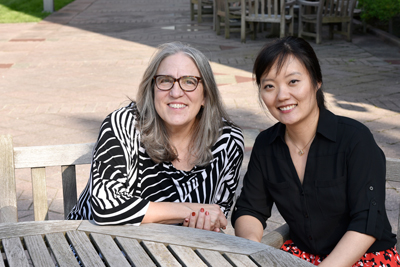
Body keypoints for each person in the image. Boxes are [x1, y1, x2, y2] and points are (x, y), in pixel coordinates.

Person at [231, 36, 399, 266]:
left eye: (293, 82)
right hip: (304, 256)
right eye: (269, 86)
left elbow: (366, 223)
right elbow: (249, 209)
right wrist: (254, 250)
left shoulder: (355, 139)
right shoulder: (266, 145)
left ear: (316, 80)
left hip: (366, 257)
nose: (281, 96)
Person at [68, 42, 244, 232]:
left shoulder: (228, 141)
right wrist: (189, 210)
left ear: (206, 95)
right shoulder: (124, 124)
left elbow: (217, 215)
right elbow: (106, 206)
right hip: (93, 245)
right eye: (165, 80)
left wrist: (204, 224)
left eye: (189, 82)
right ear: (152, 89)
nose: (176, 93)